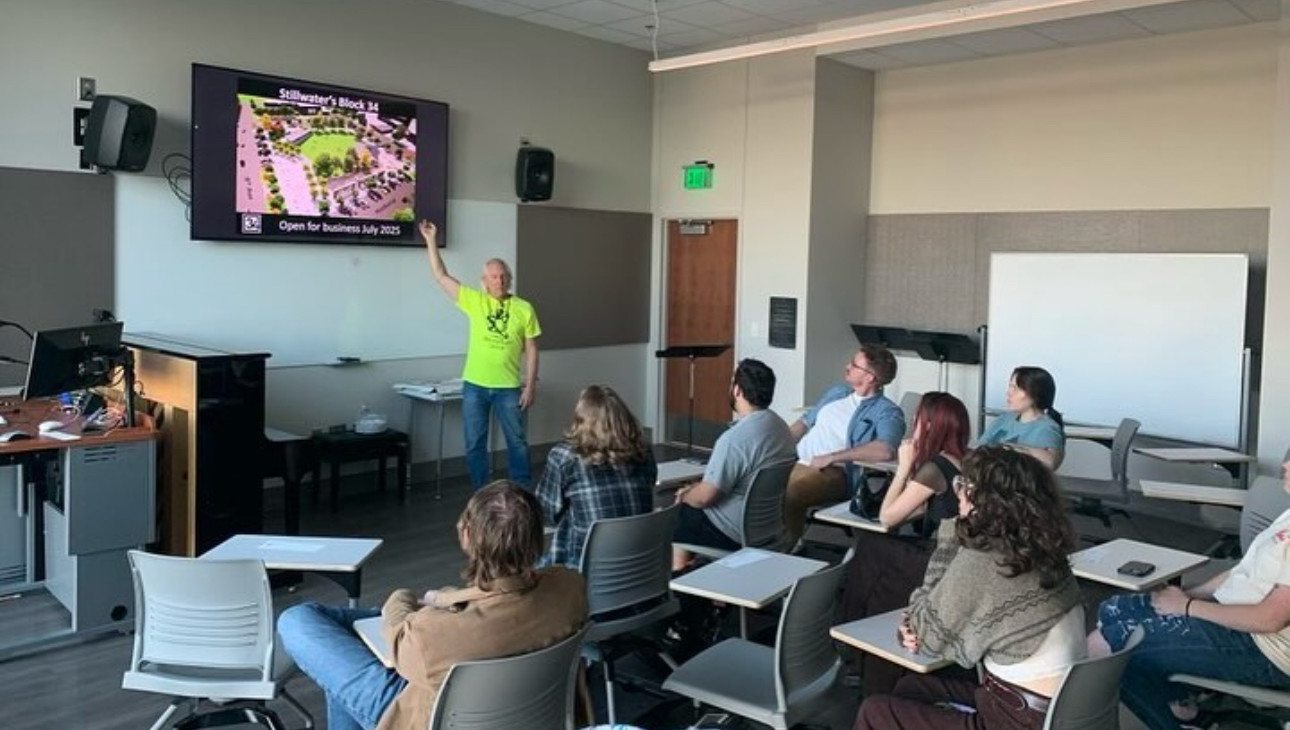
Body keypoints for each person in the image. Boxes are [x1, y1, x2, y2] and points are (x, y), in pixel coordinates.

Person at [277, 481, 587, 730]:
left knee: (298, 619)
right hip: (533, 714)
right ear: (538, 539)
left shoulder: (434, 631)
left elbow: (399, 633)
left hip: (428, 716)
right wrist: (446, 599)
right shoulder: (571, 588)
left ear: (467, 536)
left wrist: (404, 596)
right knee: (343, 653)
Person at [854, 446, 1086, 730]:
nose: (958, 493)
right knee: (912, 687)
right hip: (1060, 709)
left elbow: (927, 635)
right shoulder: (1042, 550)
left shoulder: (986, 561)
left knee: (875, 711)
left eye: (963, 485)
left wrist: (951, 532)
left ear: (984, 499)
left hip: (1015, 720)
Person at [1088, 454, 1290, 730]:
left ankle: (1177, 720)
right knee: (1113, 609)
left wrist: (1186, 607)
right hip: (1238, 615)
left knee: (1110, 646)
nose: (1285, 466)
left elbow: (1270, 619)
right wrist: (1189, 595)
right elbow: (1239, 572)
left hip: (1263, 646)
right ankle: (1183, 706)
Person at [840, 392, 971, 696]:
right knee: (876, 555)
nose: (913, 422)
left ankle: (846, 639)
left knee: (871, 546)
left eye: (918, 418)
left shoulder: (935, 468)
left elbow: (888, 517)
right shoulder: (963, 460)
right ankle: (853, 640)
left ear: (930, 425)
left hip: (939, 561)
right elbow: (921, 510)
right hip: (959, 558)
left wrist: (903, 468)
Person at [420, 220, 541, 487]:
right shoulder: (474, 301)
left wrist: (530, 386)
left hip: (509, 387)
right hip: (475, 385)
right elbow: (441, 276)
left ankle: (521, 492)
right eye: (493, 276)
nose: (499, 281)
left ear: (509, 278)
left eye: (503, 276)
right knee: (474, 443)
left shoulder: (524, 308)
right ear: (484, 281)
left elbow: (532, 349)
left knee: (517, 443)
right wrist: (431, 240)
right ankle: (481, 494)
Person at [672, 358, 797, 571]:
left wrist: (685, 494)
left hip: (732, 531)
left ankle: (683, 582)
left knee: (678, 515)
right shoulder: (781, 428)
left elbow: (705, 498)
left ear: (737, 390)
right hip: (769, 528)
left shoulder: (734, 439)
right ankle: (711, 584)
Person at [784, 343, 906, 547]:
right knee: (754, 480)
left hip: (832, 472)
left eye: (854, 365)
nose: (847, 367)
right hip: (796, 460)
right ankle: (753, 543)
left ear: (870, 377)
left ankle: (784, 548)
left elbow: (886, 450)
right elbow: (805, 422)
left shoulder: (887, 411)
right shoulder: (837, 392)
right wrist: (775, 441)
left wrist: (832, 457)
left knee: (790, 492)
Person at [535, 384, 657, 569]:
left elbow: (545, 513)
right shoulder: (644, 451)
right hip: (641, 570)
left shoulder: (565, 456)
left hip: (584, 575)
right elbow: (650, 483)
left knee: (568, 513)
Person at [977, 366, 1065, 469]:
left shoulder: (1047, 428)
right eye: (1010, 386)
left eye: (1016, 388)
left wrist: (1012, 448)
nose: (1009, 393)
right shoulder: (1003, 419)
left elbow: (1051, 462)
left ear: (1034, 393)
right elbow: (979, 450)